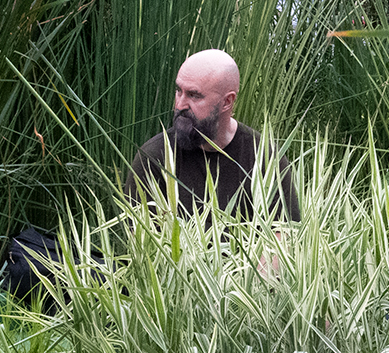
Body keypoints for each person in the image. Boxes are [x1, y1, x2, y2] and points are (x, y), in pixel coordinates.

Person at [124, 49, 300, 223]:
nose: (180, 104)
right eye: (179, 91)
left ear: (227, 101)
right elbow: (139, 237)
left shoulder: (263, 157)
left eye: (194, 95)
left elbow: (282, 234)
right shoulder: (154, 158)